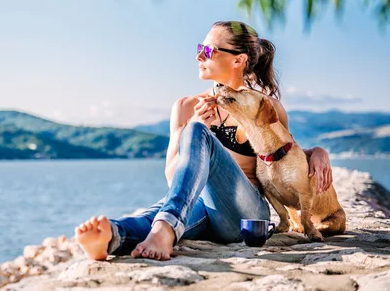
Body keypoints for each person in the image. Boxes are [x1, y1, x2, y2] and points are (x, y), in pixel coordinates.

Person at [74, 21, 334, 261]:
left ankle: (162, 229)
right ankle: (113, 237)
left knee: (197, 136)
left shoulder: (264, 108)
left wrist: (317, 152)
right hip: (199, 206)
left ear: (238, 60)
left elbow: (285, 156)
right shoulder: (185, 106)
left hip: (245, 215)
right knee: (163, 212)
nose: (199, 56)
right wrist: (199, 124)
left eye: (208, 50)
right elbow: (172, 177)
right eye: (200, 48)